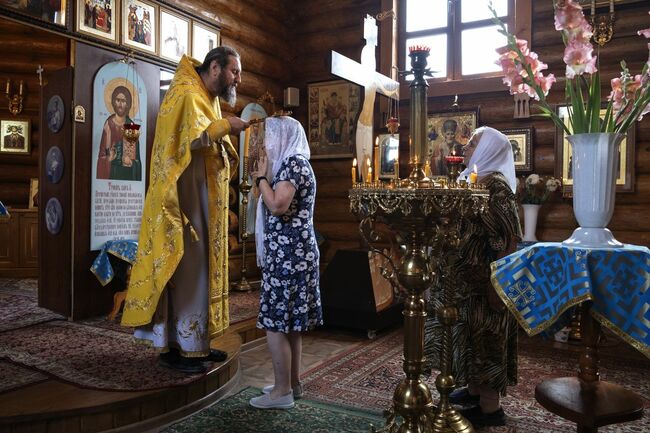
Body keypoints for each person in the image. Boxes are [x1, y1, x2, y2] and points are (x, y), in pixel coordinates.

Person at [121, 46, 249, 374]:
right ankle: (174, 349)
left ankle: (198, 344)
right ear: (216, 67)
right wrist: (225, 127)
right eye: (234, 71)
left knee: (200, 274)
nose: (238, 78)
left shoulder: (207, 97)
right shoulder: (185, 94)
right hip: (183, 206)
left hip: (203, 202)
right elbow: (184, 143)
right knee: (187, 273)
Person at [423, 126, 522, 427]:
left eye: (473, 144)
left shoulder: (498, 188)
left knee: (485, 340)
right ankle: (474, 391)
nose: (466, 148)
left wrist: (498, 286)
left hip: (483, 285)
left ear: (489, 149)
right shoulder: (472, 181)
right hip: (462, 285)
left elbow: (510, 240)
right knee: (467, 341)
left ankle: (490, 409)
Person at [248, 116, 323, 409]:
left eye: (270, 137)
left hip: (289, 255)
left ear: (284, 136)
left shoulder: (293, 163)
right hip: (294, 253)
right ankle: (292, 384)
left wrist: (261, 179)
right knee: (290, 324)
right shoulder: (296, 163)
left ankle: (281, 392)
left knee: (275, 322)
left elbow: (278, 205)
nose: (267, 144)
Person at [96, 86, 142, 181]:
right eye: (118, 100)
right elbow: (102, 155)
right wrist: (108, 158)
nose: (120, 104)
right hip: (112, 173)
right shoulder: (108, 124)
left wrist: (131, 163)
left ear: (128, 104)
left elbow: (137, 160)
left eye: (124, 101)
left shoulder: (131, 126)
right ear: (113, 102)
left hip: (127, 175)